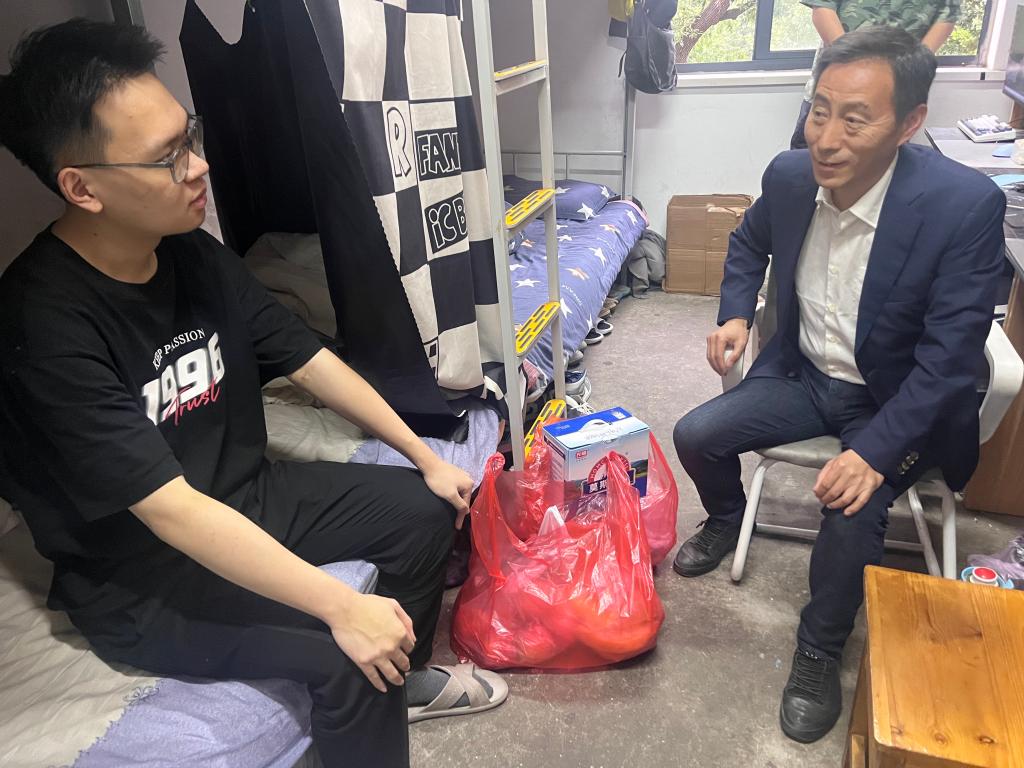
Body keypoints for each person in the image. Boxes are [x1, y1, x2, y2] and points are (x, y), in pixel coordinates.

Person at [0, 20, 504, 768]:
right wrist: (343, 607)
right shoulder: (41, 323)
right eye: (168, 158)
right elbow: (169, 510)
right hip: (140, 575)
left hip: (246, 495)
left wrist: (422, 456)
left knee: (424, 511)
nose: (199, 167)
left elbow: (308, 360)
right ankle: (372, 689)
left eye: (190, 137)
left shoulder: (189, 251)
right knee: (343, 654)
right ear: (82, 187)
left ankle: (400, 685)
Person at [672, 26, 1004, 743]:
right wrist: (735, 313)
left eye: (855, 119)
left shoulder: (962, 207)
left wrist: (876, 453)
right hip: (805, 373)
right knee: (696, 434)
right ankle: (726, 516)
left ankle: (819, 648)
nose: (826, 138)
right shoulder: (790, 176)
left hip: (893, 399)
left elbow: (948, 362)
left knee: (852, 513)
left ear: (909, 123)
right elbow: (748, 241)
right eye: (819, 111)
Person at [790, 0, 959, 149]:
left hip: (895, 90)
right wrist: (854, 70)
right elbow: (822, 10)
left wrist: (912, 67)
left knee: (881, 167)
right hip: (837, 82)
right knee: (807, 163)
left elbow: (946, 17)